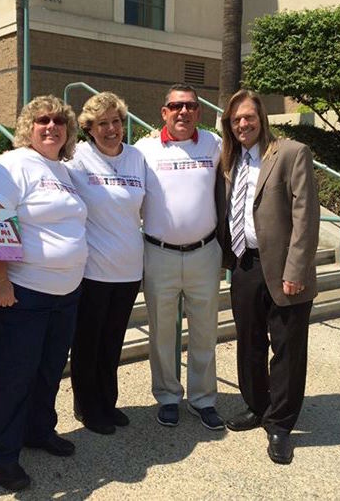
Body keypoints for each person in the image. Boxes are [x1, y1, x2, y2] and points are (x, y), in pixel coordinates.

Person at [0, 95, 87, 492]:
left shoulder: (64, 170)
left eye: (59, 120)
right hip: (22, 293)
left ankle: (38, 431)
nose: (51, 126)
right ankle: (2, 456)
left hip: (65, 293)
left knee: (49, 370)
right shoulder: (12, 165)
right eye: (42, 120)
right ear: (28, 126)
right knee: (12, 376)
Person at [218, 89, 320, 464]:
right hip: (245, 264)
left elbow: (306, 218)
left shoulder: (291, 153)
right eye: (235, 120)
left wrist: (296, 270)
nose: (243, 124)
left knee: (288, 349)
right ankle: (257, 405)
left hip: (284, 268)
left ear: (261, 117)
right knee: (249, 342)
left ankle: (280, 424)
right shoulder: (229, 159)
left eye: (248, 117)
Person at [135, 83, 224, 430]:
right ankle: (168, 395)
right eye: (176, 106)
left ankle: (203, 398)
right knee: (160, 331)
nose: (183, 112)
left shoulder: (214, 145)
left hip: (205, 252)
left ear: (198, 112)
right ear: (164, 112)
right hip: (159, 254)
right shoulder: (144, 149)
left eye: (190, 106)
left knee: (205, 330)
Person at [66, 92, 145, 435]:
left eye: (116, 121)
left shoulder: (137, 157)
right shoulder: (77, 159)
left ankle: (108, 402)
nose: (111, 129)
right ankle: (88, 406)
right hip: (93, 269)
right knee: (88, 342)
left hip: (129, 269)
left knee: (113, 341)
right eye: (102, 123)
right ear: (88, 128)